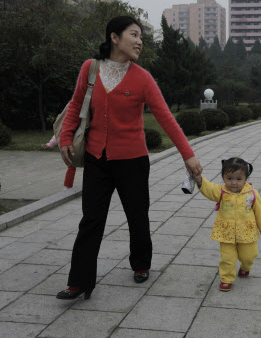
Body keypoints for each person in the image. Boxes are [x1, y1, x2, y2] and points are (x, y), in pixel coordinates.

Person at [56, 16, 203, 300]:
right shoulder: (91, 68)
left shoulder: (142, 78)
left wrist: (189, 155)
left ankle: (141, 263)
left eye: (141, 38)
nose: (139, 42)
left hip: (133, 161)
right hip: (97, 158)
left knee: (137, 216)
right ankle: (79, 282)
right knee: (91, 220)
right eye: (134, 35)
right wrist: (65, 139)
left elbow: (166, 119)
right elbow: (76, 105)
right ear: (114, 37)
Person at [194, 158, 261, 292]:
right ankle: (226, 278)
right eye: (229, 178)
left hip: (247, 232)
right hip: (226, 233)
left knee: (249, 256)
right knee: (227, 258)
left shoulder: (252, 194)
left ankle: (245, 268)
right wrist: (200, 180)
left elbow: (259, 211)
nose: (233, 182)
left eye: (239, 179)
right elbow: (209, 189)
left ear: (246, 178)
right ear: (223, 177)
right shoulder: (222, 192)